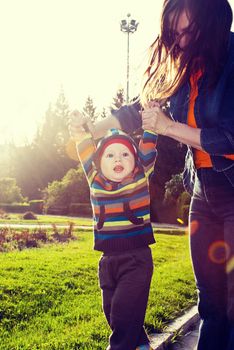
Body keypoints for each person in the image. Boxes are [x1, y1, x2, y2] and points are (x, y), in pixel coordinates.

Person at [69, 1, 234, 349]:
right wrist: (89, 128)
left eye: (189, 32)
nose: (181, 42)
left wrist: (169, 127)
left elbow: (229, 137)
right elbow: (139, 111)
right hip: (203, 193)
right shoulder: (181, 67)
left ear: (214, 22)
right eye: (174, 33)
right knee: (211, 303)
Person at [68, 112, 158, 350]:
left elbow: (148, 147)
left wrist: (151, 124)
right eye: (110, 154)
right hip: (107, 260)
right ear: (99, 162)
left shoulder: (139, 176)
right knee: (111, 311)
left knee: (123, 312)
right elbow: (85, 147)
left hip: (137, 259)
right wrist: (79, 130)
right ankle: (140, 343)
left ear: (135, 160)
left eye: (125, 154)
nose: (118, 158)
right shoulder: (95, 179)